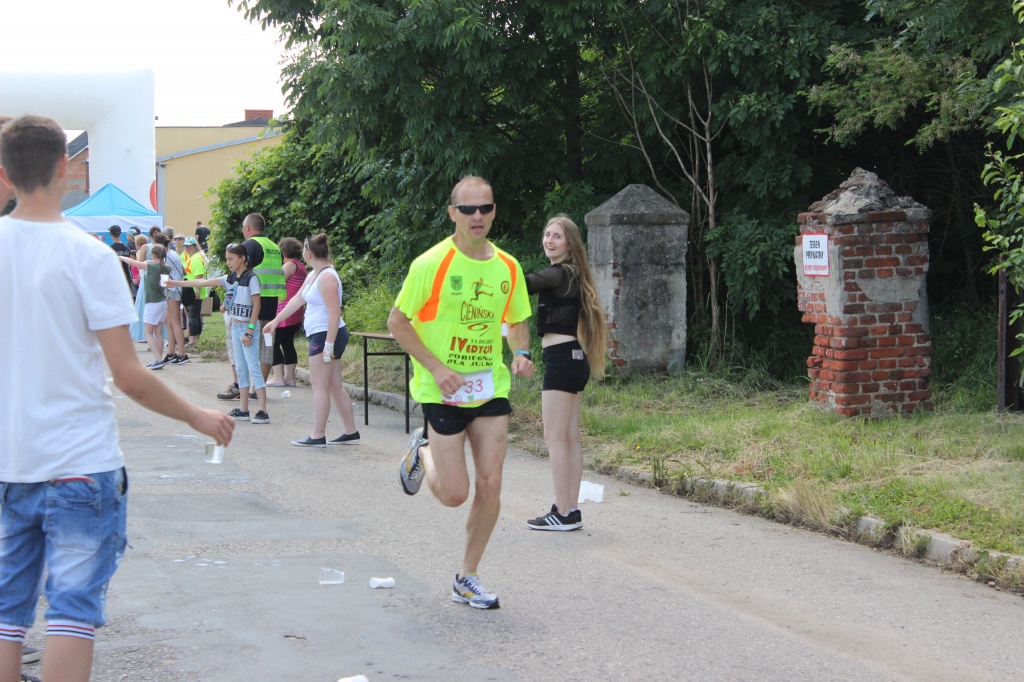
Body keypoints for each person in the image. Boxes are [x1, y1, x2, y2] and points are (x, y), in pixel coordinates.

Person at [0, 114, 234, 682]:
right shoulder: (90, 258)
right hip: (80, 464)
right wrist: (199, 415)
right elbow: (128, 374)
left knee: (6, 618)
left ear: (3, 173)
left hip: (9, 463)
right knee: (71, 615)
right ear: (64, 168)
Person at [387, 175, 534, 610]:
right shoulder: (431, 264)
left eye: (484, 208)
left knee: (490, 484)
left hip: (489, 388)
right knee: (455, 494)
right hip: (442, 388)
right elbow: (398, 322)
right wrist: (436, 366)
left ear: (493, 212)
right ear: (452, 213)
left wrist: (521, 352)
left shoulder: (508, 267)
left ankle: (466, 577)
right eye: (467, 209)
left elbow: (517, 320)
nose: (477, 217)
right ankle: (423, 453)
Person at [524, 215, 608, 531]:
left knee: (555, 438)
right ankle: (570, 510)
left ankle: (561, 511)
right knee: (570, 439)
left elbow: (521, 282)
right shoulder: (574, 275)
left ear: (569, 243)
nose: (549, 240)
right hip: (574, 359)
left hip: (561, 360)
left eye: (556, 236)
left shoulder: (560, 274)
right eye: (546, 234)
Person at [264, 234, 359, 447]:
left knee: (319, 386)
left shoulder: (326, 277)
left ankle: (317, 435)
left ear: (308, 253)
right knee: (334, 385)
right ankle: (351, 431)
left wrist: (328, 345)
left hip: (326, 334)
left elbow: (335, 312)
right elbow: (298, 299)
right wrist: (276, 320)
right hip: (322, 333)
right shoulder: (312, 275)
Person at [167, 243, 271, 424]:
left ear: (242, 258)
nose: (228, 262)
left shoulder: (251, 278)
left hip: (247, 328)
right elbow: (202, 282)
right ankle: (243, 409)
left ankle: (263, 411)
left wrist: (250, 330)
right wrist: (176, 283)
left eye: (231, 259)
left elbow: (257, 306)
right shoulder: (231, 278)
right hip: (235, 327)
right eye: (227, 258)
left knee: (253, 366)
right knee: (240, 368)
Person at [241, 213, 285, 383]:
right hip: (272, 304)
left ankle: (245, 385)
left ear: (248, 227)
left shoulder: (249, 245)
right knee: (267, 346)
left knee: (247, 344)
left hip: (253, 304)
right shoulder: (274, 247)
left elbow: (241, 273)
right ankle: (260, 386)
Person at [118, 245, 171, 369]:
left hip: (152, 302)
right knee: (158, 331)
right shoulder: (166, 267)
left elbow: (133, 262)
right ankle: (159, 358)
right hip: (162, 301)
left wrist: (120, 257)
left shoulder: (151, 267)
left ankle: (158, 359)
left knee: (148, 332)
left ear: (154, 255)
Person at [267, 237, 304, 387]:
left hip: (283, 312)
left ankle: (278, 377)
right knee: (288, 343)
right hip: (295, 312)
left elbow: (276, 282)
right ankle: (289, 378)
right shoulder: (301, 266)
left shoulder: (289, 265)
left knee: (272, 343)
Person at [152, 233, 188, 365]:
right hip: (172, 288)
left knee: (175, 322)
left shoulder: (167, 256)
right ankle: (171, 352)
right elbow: (183, 271)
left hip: (173, 289)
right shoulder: (172, 253)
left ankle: (182, 354)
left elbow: (163, 273)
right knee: (169, 321)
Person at [181, 237, 208, 347]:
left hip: (194, 290)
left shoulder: (196, 259)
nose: (187, 248)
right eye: (185, 246)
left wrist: (197, 290)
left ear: (194, 246)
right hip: (192, 289)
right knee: (195, 315)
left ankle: (193, 339)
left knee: (193, 315)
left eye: (189, 246)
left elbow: (199, 276)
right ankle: (196, 338)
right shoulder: (193, 257)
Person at [128, 234, 149, 342]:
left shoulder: (141, 252)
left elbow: (141, 267)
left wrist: (138, 279)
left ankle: (143, 333)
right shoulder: (144, 251)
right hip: (142, 280)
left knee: (141, 306)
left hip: (142, 281)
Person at [108, 224, 133, 294]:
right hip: (127, 277)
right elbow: (129, 265)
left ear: (110, 234)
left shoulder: (111, 249)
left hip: (116, 278)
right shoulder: (126, 248)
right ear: (120, 233)